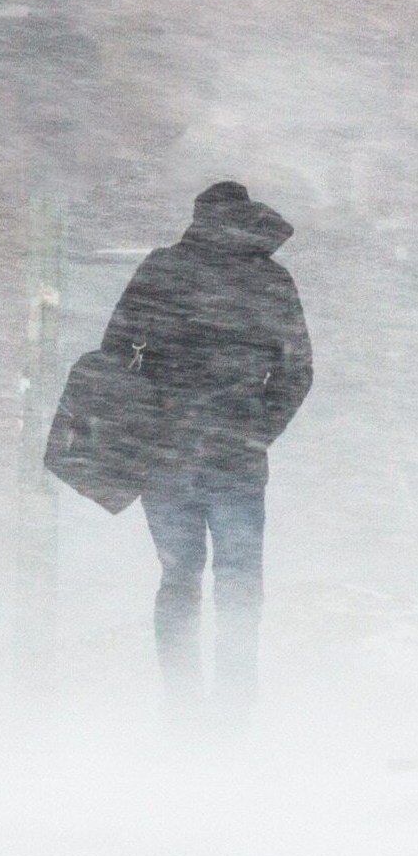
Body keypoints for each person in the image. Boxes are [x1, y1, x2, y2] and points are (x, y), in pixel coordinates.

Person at [103, 180, 313, 724]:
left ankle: (182, 702)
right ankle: (235, 702)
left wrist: (146, 414)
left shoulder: (163, 269)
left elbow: (114, 353)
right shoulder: (270, 279)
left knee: (179, 576)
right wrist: (256, 427)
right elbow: (296, 371)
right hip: (235, 458)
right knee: (239, 580)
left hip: (167, 453)